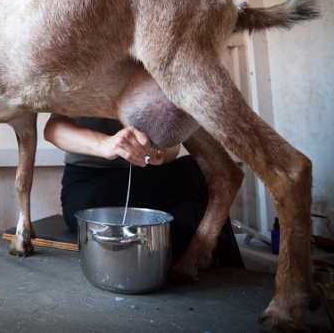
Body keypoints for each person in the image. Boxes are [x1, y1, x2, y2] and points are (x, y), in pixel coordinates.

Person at [44, 114, 244, 267]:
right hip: (88, 189)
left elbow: (172, 149)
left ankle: (222, 287)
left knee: (190, 212)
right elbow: (52, 128)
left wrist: (157, 152)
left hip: (143, 183)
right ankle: (237, 278)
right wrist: (105, 143)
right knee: (195, 171)